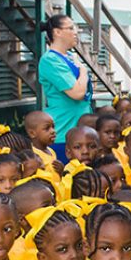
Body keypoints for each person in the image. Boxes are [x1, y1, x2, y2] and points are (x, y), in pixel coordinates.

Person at [38, 15, 93, 158]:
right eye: (70, 28)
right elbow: (77, 93)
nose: (75, 32)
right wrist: (84, 72)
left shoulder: (70, 56)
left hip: (80, 129)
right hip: (64, 130)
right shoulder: (50, 60)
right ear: (57, 32)